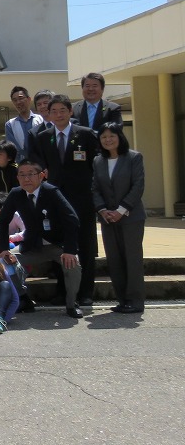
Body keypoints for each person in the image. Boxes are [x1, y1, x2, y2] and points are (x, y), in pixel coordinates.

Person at [30, 93, 100, 306]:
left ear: (70, 112)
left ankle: (86, 292)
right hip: (56, 199)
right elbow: (38, 165)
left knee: (85, 245)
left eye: (63, 110)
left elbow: (96, 167)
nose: (58, 114)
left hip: (82, 198)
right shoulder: (42, 137)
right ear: (48, 115)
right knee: (59, 246)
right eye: (54, 111)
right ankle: (63, 291)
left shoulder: (86, 135)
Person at [0, 160, 83, 319]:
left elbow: (72, 219)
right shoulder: (16, 193)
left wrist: (70, 250)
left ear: (41, 176)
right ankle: (23, 298)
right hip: (32, 245)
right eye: (22, 175)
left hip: (58, 245)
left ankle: (72, 304)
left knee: (74, 264)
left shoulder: (51, 191)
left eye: (30, 174)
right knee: (2, 262)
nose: (26, 179)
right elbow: (2, 221)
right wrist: (3, 249)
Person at [92, 122, 146, 313]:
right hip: (107, 218)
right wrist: (102, 210)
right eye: (104, 136)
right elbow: (95, 188)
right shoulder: (98, 160)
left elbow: (138, 186)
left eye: (111, 136)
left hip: (131, 217)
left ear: (119, 137)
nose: (108, 140)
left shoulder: (133, 157)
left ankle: (136, 301)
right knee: (114, 259)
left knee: (132, 259)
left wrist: (121, 210)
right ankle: (122, 299)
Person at [5, 86, 43, 163]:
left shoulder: (41, 119)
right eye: (15, 100)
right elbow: (13, 148)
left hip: (41, 164)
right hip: (21, 166)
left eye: (21, 98)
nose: (18, 102)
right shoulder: (10, 124)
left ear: (29, 99)